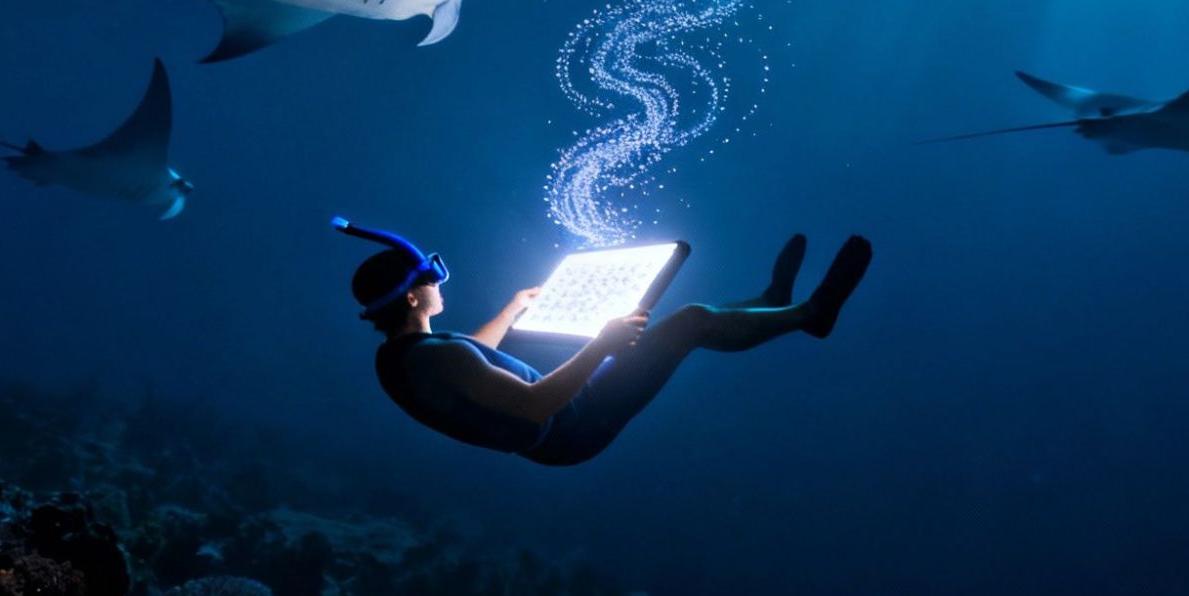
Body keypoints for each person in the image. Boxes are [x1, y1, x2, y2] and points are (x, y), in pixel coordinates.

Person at [338, 220, 874, 466]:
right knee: (684, 324)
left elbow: (469, 366)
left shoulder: (405, 357)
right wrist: (603, 342)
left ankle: (769, 302)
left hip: (562, 425)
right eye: (432, 276)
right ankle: (809, 314)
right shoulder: (437, 357)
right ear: (412, 299)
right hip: (572, 426)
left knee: (672, 325)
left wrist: (512, 308)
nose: (438, 281)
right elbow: (535, 403)